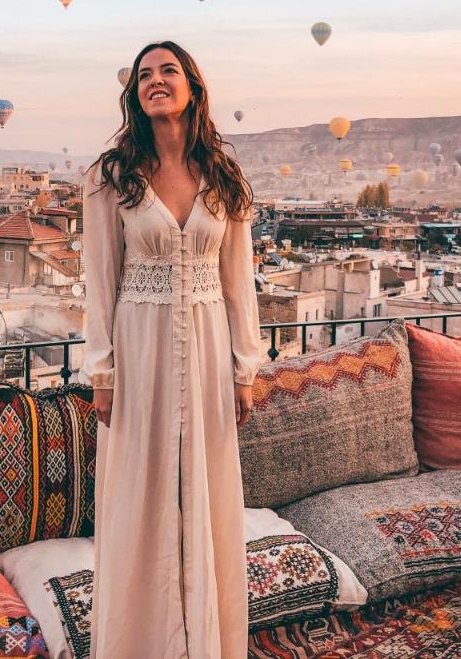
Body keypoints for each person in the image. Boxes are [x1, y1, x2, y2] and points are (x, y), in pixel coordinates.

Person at [82, 41, 262, 659]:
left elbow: (240, 281)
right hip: (138, 349)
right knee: (140, 492)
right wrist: (102, 373)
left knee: (208, 491)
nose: (157, 81)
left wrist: (246, 367)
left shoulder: (224, 178)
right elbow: (99, 279)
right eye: (144, 74)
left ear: (193, 86)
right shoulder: (111, 176)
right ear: (133, 92)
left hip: (211, 349)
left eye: (169, 71)